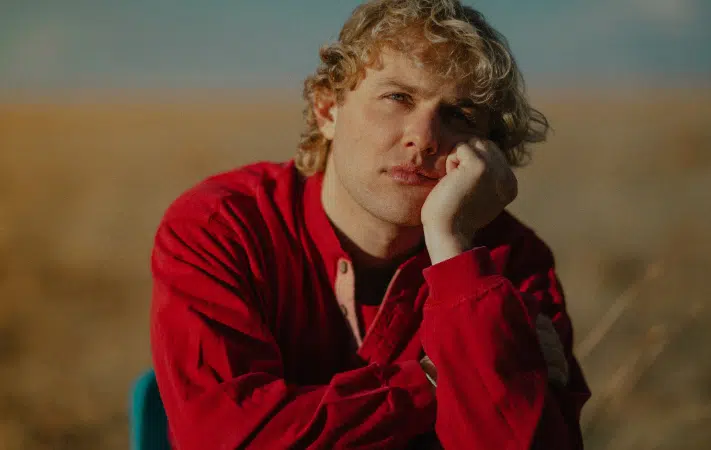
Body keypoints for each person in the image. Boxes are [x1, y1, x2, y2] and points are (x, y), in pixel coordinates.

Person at [150, 0, 591, 448]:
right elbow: (225, 438)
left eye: (459, 115)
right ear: (328, 110)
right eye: (398, 98)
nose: (424, 137)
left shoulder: (506, 262)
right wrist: (439, 378)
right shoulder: (221, 228)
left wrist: (453, 250)